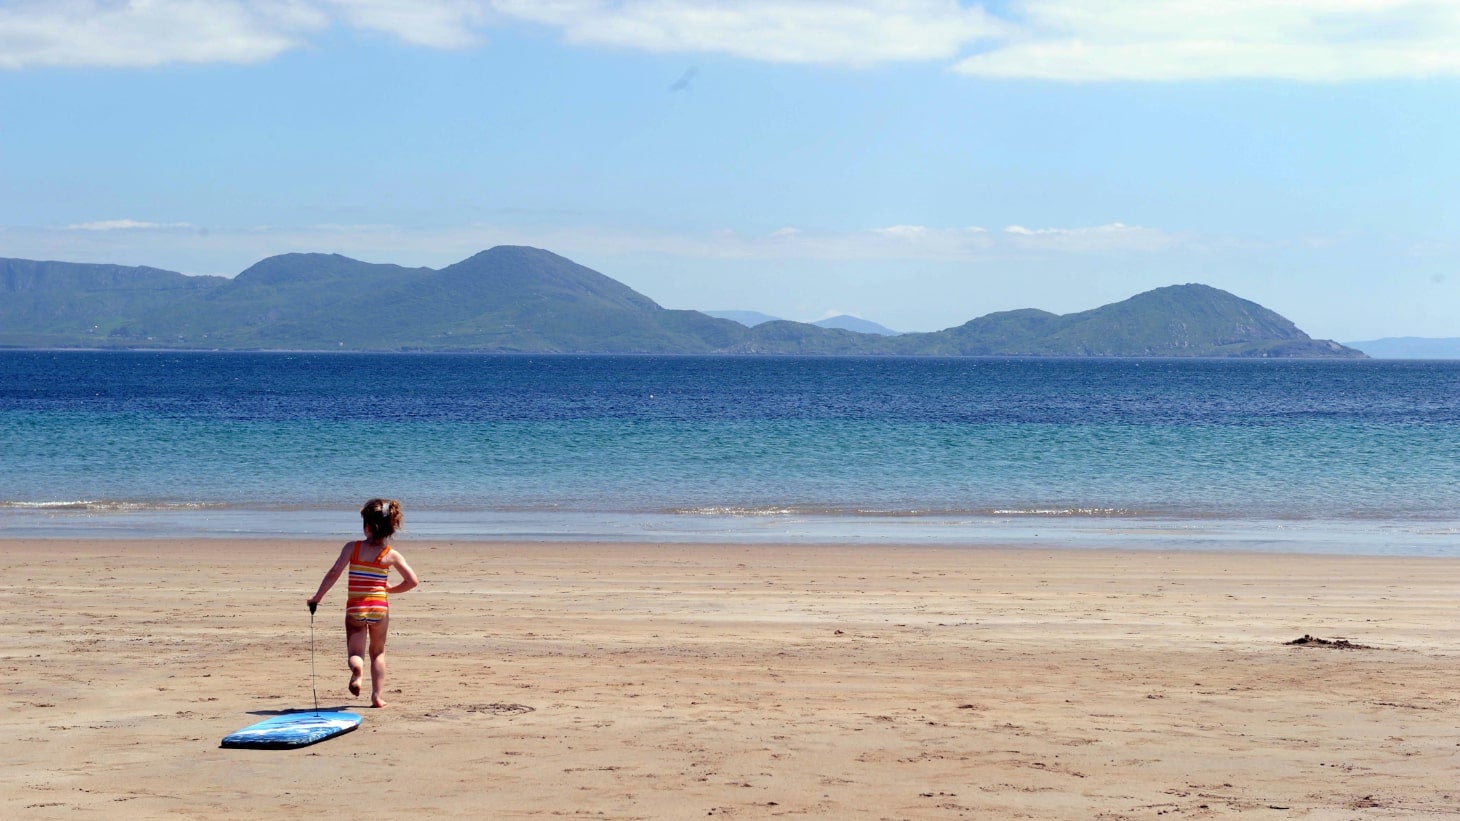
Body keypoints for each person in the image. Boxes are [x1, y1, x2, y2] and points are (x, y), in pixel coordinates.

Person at [308, 498, 419, 708]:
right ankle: (377, 697)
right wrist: (390, 590)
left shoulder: (352, 548)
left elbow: (333, 573)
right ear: (391, 528)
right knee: (378, 652)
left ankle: (357, 672)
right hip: (379, 609)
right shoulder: (391, 555)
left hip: (356, 608)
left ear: (367, 526)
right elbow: (412, 581)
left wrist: (317, 597)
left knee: (356, 653)